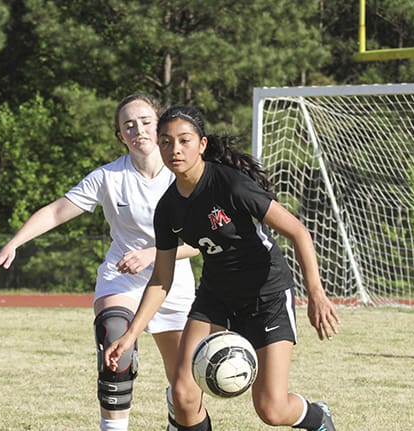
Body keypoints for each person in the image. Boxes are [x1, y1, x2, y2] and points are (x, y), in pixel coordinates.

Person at [104, 105, 341, 431]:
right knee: (184, 394)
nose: (175, 149)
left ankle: (317, 417)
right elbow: (161, 278)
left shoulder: (231, 186)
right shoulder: (168, 209)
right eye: (166, 142)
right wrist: (131, 334)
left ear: (201, 144)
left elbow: (298, 231)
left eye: (184, 140)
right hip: (216, 297)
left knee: (271, 410)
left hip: (266, 296)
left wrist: (316, 294)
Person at [0, 94, 199, 431]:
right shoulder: (108, 177)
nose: (137, 129)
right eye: (128, 125)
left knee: (186, 388)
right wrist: (13, 243)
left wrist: (152, 254)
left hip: (171, 281)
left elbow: (198, 244)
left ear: (160, 126)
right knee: (114, 336)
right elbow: (56, 211)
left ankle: (176, 411)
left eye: (145, 121)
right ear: (120, 136)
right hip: (122, 279)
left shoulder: (184, 174)